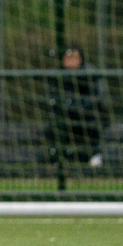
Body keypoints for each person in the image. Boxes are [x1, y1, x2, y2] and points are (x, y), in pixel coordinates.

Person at [48, 45, 108, 186]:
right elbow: (52, 97)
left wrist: (80, 107)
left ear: (80, 59)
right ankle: (59, 157)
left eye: (74, 58)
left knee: (94, 121)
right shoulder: (56, 74)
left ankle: (94, 155)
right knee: (55, 123)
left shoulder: (90, 73)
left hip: (85, 116)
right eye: (67, 58)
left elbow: (96, 97)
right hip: (66, 117)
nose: (70, 61)